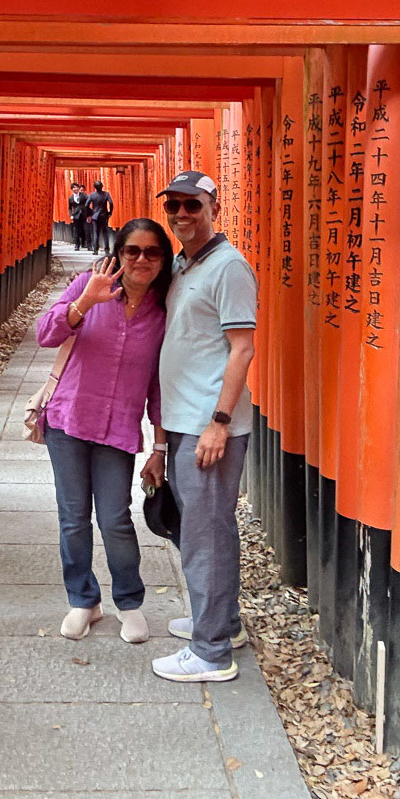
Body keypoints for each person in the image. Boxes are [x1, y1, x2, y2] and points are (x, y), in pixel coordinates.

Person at [35, 219, 175, 644]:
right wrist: (83, 304)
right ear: (119, 252)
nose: (141, 260)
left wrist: (160, 448)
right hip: (69, 420)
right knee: (73, 518)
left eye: (153, 252)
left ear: (163, 260)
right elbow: (45, 334)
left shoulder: (163, 311)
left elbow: (159, 384)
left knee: (115, 518)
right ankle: (83, 600)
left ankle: (129, 602)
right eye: (132, 250)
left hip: (118, 428)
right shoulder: (87, 284)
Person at [147, 171, 257, 684]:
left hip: (208, 425)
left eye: (192, 204)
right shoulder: (184, 264)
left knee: (203, 538)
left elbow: (242, 347)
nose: (182, 214)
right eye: (174, 206)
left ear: (214, 205)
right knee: (209, 530)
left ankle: (211, 652)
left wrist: (218, 423)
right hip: (185, 419)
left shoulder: (230, 268)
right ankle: (222, 622)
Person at [87, 179, 114, 255]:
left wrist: (90, 213)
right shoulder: (106, 194)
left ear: (95, 187)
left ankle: (95, 250)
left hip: (95, 216)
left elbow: (86, 205)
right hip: (104, 215)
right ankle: (107, 250)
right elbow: (111, 203)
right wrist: (109, 212)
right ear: (102, 186)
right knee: (105, 233)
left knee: (96, 233)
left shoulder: (92, 195)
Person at [67, 180, 90, 250]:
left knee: (86, 230)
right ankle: (77, 245)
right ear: (72, 189)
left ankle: (89, 245)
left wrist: (88, 212)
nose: (75, 189)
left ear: (78, 188)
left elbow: (89, 201)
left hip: (84, 214)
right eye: (73, 188)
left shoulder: (83, 195)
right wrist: (71, 214)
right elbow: (70, 208)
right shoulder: (70, 198)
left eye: (76, 187)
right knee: (76, 230)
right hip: (76, 215)